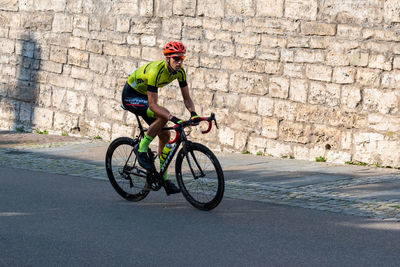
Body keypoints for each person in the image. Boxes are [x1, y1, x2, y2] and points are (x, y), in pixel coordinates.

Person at [121, 41, 200, 195]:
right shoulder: (156, 71)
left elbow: (187, 98)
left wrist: (193, 113)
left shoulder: (180, 72)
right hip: (131, 96)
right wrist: (172, 117)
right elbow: (152, 105)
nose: (179, 62)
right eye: (176, 58)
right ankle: (141, 148)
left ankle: (163, 178)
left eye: (181, 59)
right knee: (163, 116)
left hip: (144, 96)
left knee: (165, 134)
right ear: (167, 59)